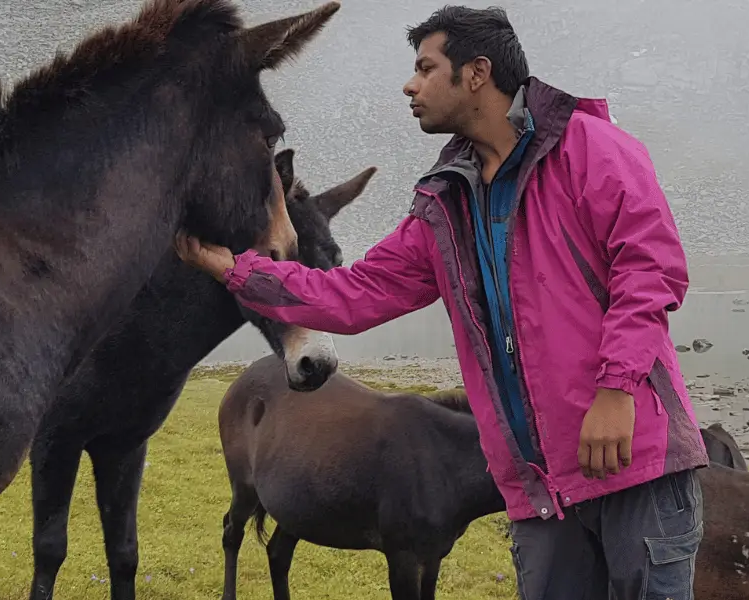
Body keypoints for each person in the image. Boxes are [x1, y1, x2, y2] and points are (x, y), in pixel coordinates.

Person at [173, 5, 706, 599]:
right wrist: (237, 271)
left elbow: (650, 270)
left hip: (629, 459)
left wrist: (616, 391)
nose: (410, 83)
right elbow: (358, 292)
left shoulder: (593, 149)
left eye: (425, 68)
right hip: (539, 487)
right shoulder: (445, 202)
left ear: (476, 74)